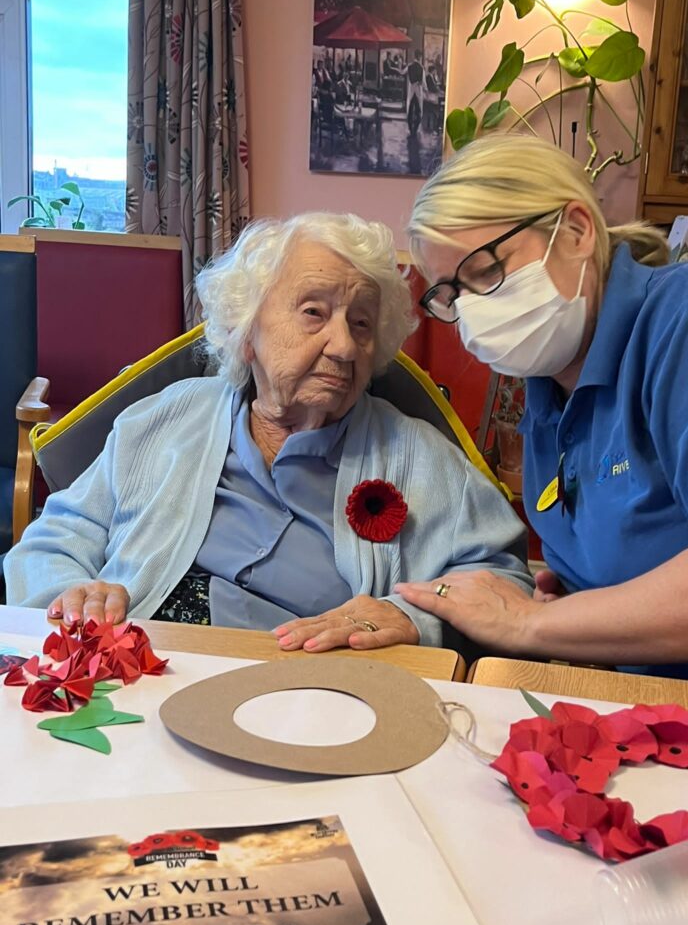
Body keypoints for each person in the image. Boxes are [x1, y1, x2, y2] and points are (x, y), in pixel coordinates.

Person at [5, 212, 531, 653]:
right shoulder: (166, 417)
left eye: (362, 324)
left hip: (308, 695)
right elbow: (58, 535)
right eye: (313, 313)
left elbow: (505, 584)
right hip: (135, 669)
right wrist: (72, 592)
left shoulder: (420, 456)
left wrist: (412, 618)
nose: (344, 346)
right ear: (246, 330)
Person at [395, 133, 688, 687]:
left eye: (486, 271)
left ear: (575, 231)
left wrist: (529, 624)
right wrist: (577, 606)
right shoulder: (547, 400)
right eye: (452, 294)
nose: (472, 310)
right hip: (640, 701)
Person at [400, 50, 425, 134]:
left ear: (414, 56)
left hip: (411, 91)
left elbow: (402, 72)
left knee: (410, 109)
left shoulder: (409, 66)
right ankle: (416, 128)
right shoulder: (421, 68)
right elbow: (423, 82)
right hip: (418, 91)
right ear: (420, 57)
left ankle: (410, 128)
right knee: (418, 110)